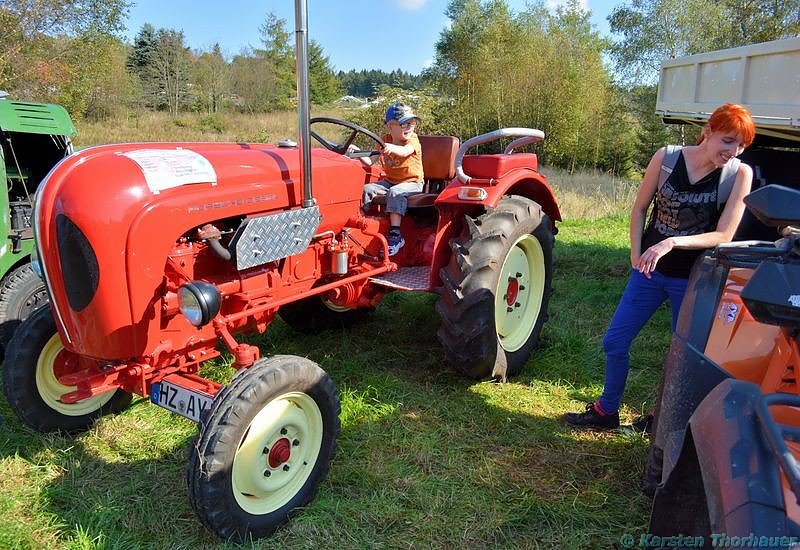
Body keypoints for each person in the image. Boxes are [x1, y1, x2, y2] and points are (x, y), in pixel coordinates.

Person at [563, 102, 755, 431]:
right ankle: (607, 411)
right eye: (727, 140)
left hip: (694, 278)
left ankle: (659, 419)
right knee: (615, 342)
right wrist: (636, 256)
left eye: (741, 145)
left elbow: (724, 233)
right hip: (650, 273)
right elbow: (639, 209)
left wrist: (671, 242)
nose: (733, 150)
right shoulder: (667, 158)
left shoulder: (739, 174)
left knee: (680, 358)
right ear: (708, 132)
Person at [361, 102, 424, 256]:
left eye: (412, 123)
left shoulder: (412, 140)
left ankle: (395, 236)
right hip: (390, 181)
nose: (409, 127)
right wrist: (356, 152)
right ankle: (364, 222)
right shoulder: (384, 139)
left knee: (395, 192)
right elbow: (370, 161)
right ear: (390, 127)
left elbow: (404, 152)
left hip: (413, 183)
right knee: (367, 189)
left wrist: (390, 147)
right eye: (404, 124)